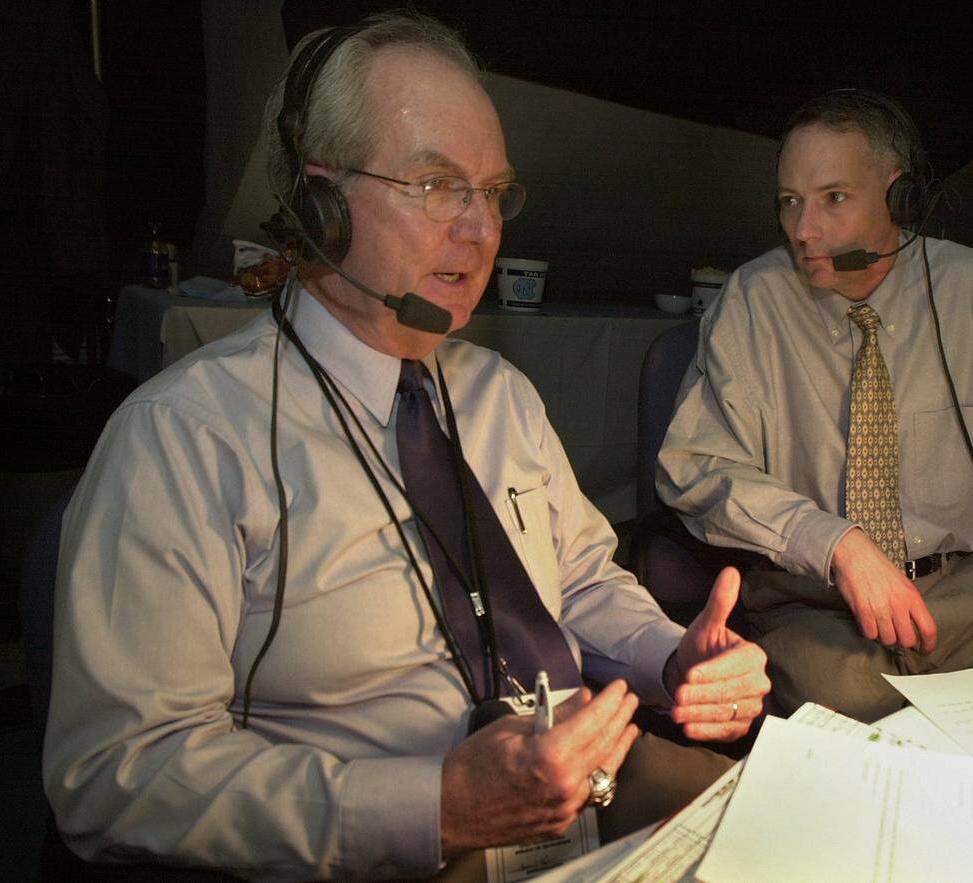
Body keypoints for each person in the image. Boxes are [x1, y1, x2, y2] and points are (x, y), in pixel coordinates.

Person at [43, 12, 768, 880]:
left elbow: (574, 578)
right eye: (435, 185)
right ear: (322, 202)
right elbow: (116, 776)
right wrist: (432, 805)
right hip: (387, 849)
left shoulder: (501, 395)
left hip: (591, 790)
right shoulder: (186, 437)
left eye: (493, 192)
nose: (480, 230)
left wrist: (671, 656)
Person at [656, 88, 973, 722]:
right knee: (860, 739)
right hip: (815, 608)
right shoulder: (752, 299)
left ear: (899, 195)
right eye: (789, 203)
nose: (803, 230)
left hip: (966, 599)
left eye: (834, 199)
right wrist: (836, 543)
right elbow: (693, 466)